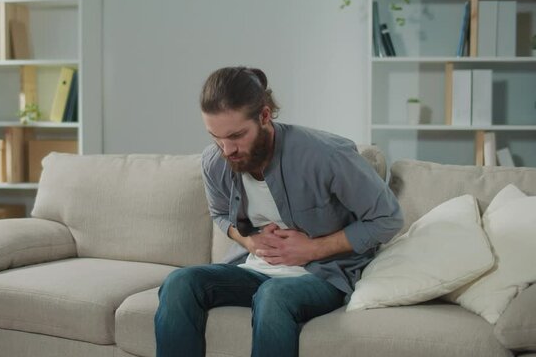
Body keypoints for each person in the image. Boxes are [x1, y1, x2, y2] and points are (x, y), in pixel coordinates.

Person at [154, 66, 403, 357]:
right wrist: (249, 241)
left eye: (236, 135)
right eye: (216, 137)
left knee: (273, 295)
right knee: (179, 283)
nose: (226, 150)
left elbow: (388, 218)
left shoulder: (325, 155)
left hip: (324, 275)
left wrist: (313, 249)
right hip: (254, 271)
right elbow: (220, 214)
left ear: (264, 116)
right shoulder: (215, 161)